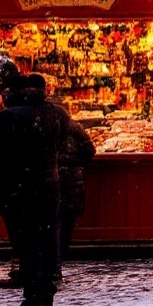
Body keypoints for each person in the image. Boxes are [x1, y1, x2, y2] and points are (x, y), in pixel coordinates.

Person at [0, 74, 69, 306]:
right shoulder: (57, 113)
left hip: (20, 189)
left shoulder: (10, 116)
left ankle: (33, 298)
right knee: (44, 241)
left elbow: (1, 157)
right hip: (49, 186)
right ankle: (45, 296)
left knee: (27, 245)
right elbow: (62, 146)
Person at [55, 115, 96, 286]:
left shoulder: (41, 124)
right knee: (64, 225)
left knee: (48, 224)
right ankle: (56, 266)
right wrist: (75, 166)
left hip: (50, 183)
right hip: (70, 182)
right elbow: (89, 150)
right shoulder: (73, 127)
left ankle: (49, 268)